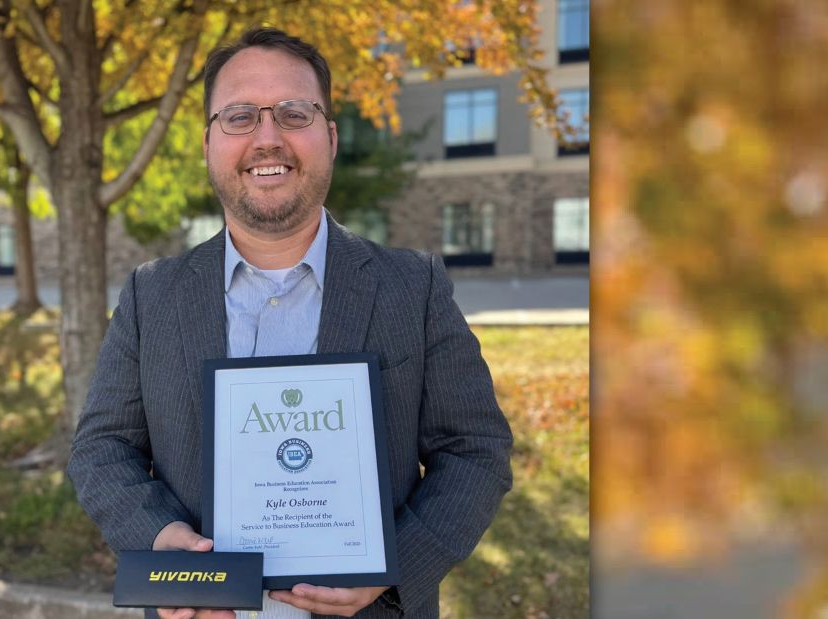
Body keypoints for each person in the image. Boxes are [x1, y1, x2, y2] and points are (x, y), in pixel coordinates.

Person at [68, 27, 513, 619]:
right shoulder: (152, 295)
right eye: (240, 116)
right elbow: (102, 448)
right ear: (208, 144)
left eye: (294, 113)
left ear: (329, 137)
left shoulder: (414, 288)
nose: (268, 138)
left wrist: (392, 569)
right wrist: (161, 545)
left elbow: (475, 449)